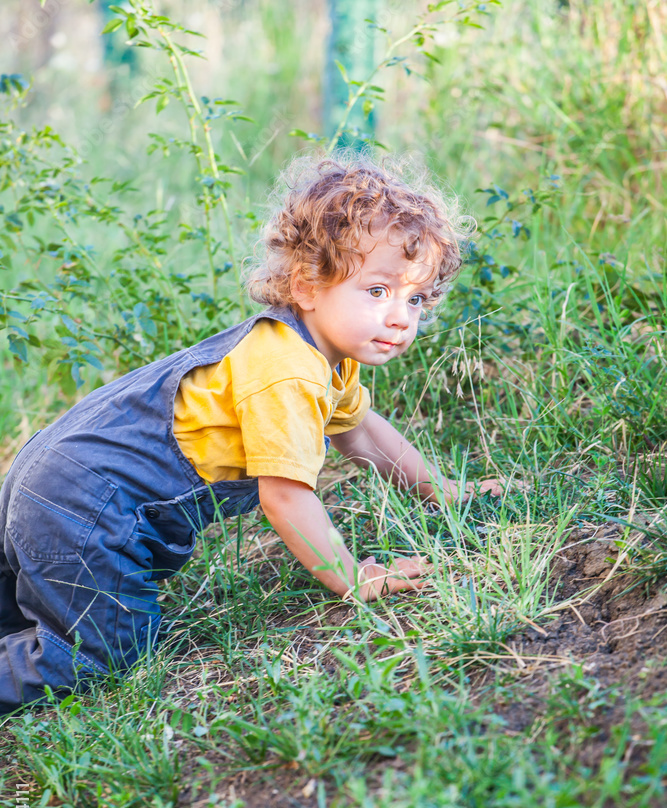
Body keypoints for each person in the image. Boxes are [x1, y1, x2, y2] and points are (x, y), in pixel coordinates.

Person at [0, 153, 505, 713]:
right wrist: (349, 577)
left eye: (416, 298)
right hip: (81, 505)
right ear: (307, 285)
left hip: (50, 474)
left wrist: (440, 489)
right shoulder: (286, 369)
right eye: (378, 291)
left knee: (15, 614)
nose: (400, 318)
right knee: (102, 653)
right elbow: (285, 495)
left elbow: (359, 431)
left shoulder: (320, 354)